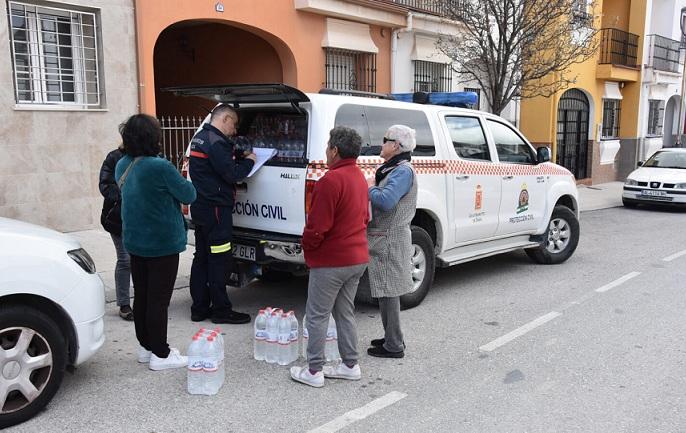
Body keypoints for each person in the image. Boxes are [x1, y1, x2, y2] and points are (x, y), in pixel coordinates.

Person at [115, 114, 197, 371]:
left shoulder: (123, 164)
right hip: (162, 244)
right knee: (159, 301)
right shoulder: (159, 167)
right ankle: (160, 354)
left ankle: (146, 345)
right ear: (153, 138)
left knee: (142, 296)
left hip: (135, 241)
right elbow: (189, 194)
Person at [290, 126, 369, 388]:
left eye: (327, 146)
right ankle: (350, 364)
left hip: (332, 260)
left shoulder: (329, 180)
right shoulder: (360, 177)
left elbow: (318, 227)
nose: (326, 151)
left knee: (317, 315)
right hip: (357, 257)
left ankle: (314, 370)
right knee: (345, 312)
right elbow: (365, 217)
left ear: (334, 151)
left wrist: (306, 246)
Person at [188, 105, 257, 324]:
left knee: (202, 258)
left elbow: (216, 160)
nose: (234, 130)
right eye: (234, 124)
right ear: (225, 119)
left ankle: (199, 308)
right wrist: (250, 160)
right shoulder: (216, 143)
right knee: (220, 259)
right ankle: (221, 310)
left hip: (200, 206)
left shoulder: (201, 137)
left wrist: (235, 153)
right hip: (217, 210)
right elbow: (233, 174)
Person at [366, 125, 418, 359]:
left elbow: (386, 201)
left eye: (385, 140)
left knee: (389, 291)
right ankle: (391, 337)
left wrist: (369, 188)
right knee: (386, 291)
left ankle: (394, 345)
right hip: (386, 236)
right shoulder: (394, 168)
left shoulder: (402, 171)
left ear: (396, 145)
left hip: (390, 237)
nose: (382, 143)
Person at [98, 145, 133, 321]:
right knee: (125, 259)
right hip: (117, 218)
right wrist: (126, 195)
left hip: (142, 219)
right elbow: (104, 185)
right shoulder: (114, 157)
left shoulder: (152, 157)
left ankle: (145, 300)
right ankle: (124, 303)